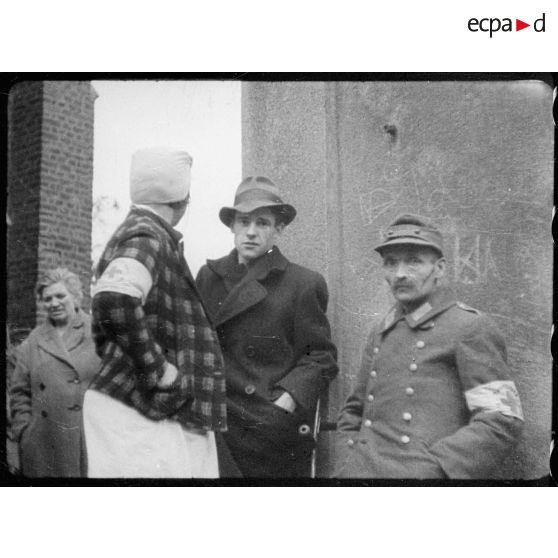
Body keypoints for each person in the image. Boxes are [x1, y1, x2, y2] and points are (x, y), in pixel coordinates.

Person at [335, 214, 524, 479]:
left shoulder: (469, 327)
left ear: (440, 268)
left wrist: (435, 469)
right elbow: (354, 410)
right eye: (391, 262)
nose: (400, 274)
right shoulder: (380, 329)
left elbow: (502, 419)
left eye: (414, 261)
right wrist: (348, 462)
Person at [84, 146, 226, 478]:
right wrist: (159, 371)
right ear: (181, 200)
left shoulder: (142, 232)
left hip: (143, 412)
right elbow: (115, 298)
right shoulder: (148, 234)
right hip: (140, 415)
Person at [196, 176, 338, 477]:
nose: (251, 232)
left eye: (262, 223)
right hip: (215, 424)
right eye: (244, 221)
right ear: (232, 226)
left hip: (266, 431)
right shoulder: (208, 277)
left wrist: (286, 402)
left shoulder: (302, 283)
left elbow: (320, 357)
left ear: (279, 229)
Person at [9, 268, 101, 477]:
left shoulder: (96, 331)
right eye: (47, 299)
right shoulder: (35, 339)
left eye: (60, 296)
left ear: (76, 297)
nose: (54, 303)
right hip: (42, 442)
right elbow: (19, 391)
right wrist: (24, 430)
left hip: (86, 438)